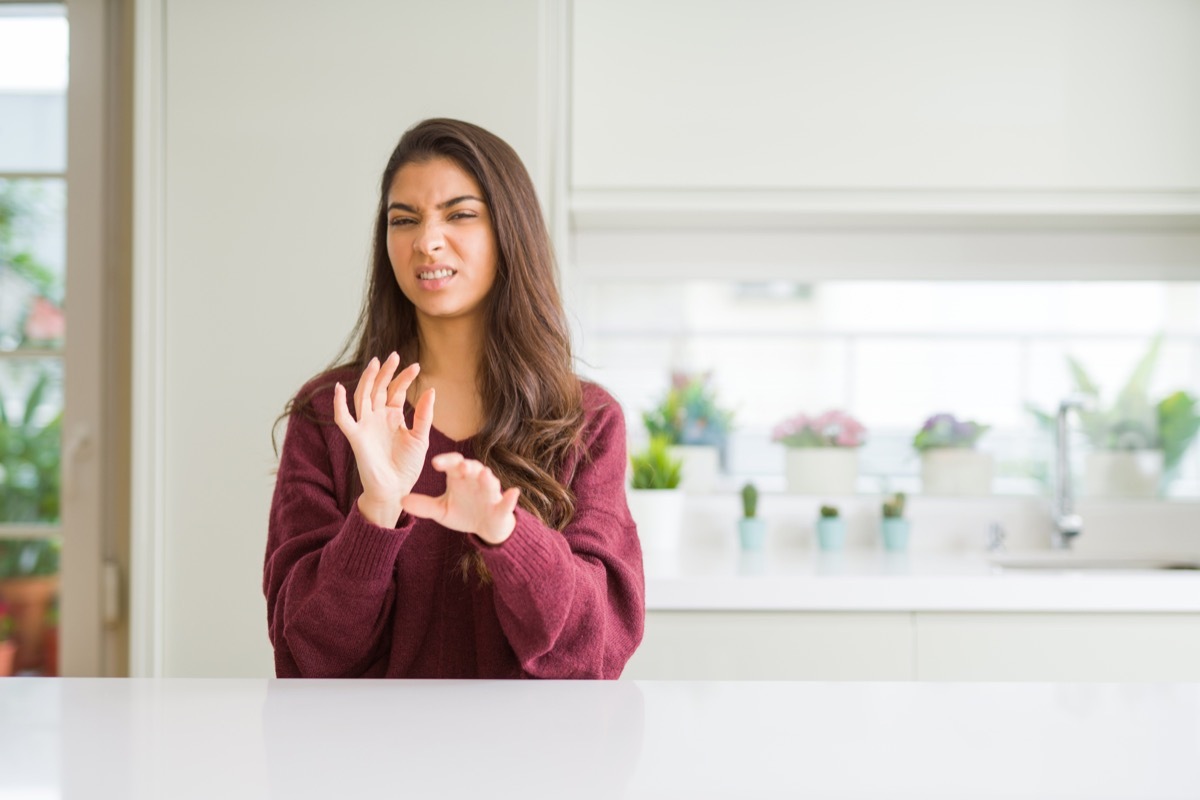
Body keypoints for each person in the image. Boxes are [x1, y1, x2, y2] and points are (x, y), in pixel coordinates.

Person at [264, 118, 645, 679]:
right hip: (361, 761)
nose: (427, 241)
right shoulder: (333, 414)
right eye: (404, 219)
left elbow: (597, 648)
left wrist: (507, 536)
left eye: (460, 214)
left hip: (533, 762)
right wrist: (376, 510)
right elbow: (306, 652)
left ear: (508, 231)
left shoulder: (585, 421)